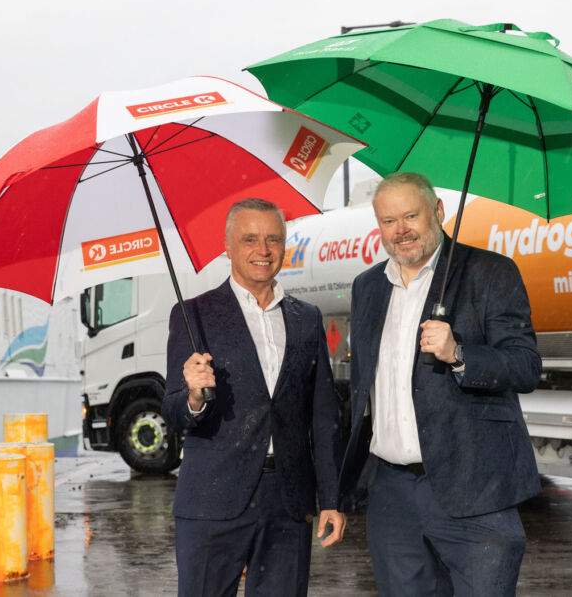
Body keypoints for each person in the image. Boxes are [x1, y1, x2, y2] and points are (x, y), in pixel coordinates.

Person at [338, 172, 542, 596]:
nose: (401, 230)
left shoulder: (490, 272)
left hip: (474, 489)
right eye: (388, 221)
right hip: (391, 494)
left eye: (411, 216)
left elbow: (525, 366)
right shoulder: (367, 287)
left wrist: (459, 354)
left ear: (439, 211)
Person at [162, 197, 346, 597]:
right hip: (212, 499)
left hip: (288, 501)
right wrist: (194, 396)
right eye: (249, 239)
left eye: (273, 239)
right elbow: (173, 412)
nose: (263, 250)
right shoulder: (193, 315)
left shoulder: (307, 317)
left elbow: (323, 415)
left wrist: (331, 498)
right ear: (228, 246)